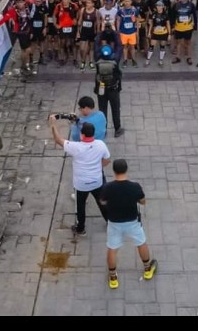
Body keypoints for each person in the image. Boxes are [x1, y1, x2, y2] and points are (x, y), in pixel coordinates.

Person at [99, 159, 157, 289]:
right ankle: (147, 269)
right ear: (126, 170)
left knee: (112, 248)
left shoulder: (108, 187)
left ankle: (113, 278)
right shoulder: (134, 186)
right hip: (132, 221)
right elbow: (143, 201)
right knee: (141, 243)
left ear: (114, 171)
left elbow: (102, 201)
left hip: (114, 222)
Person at [49, 114, 110, 237]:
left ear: (82, 135)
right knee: (102, 202)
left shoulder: (75, 147)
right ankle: (110, 221)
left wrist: (53, 125)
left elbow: (58, 139)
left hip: (81, 184)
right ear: (93, 134)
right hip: (97, 181)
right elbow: (107, 160)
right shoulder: (100, 144)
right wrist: (98, 167)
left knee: (80, 206)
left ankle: (80, 228)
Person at [95, 45, 124, 138]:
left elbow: (97, 77)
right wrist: (119, 88)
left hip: (101, 89)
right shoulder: (114, 64)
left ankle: (103, 130)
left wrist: (96, 89)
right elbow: (118, 76)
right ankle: (117, 129)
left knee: (102, 110)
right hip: (113, 89)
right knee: (115, 109)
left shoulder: (98, 63)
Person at [145, 0, 171, 66]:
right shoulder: (153, 14)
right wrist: (149, 32)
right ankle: (147, 60)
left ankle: (161, 60)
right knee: (151, 46)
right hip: (155, 33)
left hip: (164, 33)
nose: (159, 7)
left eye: (160, 6)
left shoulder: (166, 15)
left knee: (162, 46)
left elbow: (168, 24)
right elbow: (151, 24)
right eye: (157, 6)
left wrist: (169, 34)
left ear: (163, 6)